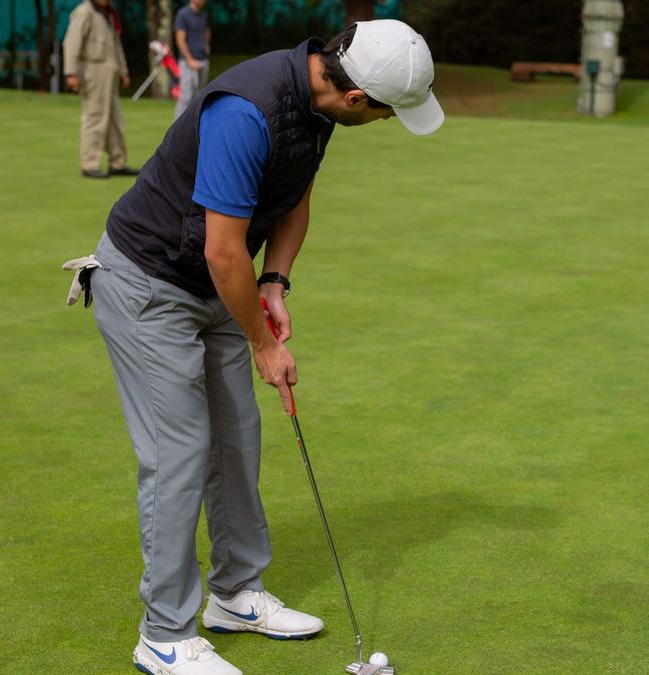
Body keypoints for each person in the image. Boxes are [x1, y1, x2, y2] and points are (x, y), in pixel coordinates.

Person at [64, 20, 443, 674]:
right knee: (179, 452)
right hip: (150, 283)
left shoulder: (319, 104)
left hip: (219, 283)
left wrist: (274, 282)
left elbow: (293, 198)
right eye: (386, 113)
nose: (385, 121)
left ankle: (235, 594)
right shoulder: (246, 111)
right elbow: (221, 250)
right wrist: (264, 343)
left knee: (237, 436)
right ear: (356, 97)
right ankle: (164, 633)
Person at [63, 0, 139, 178]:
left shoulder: (108, 13)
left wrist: (123, 71)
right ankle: (90, 164)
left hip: (109, 70)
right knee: (95, 116)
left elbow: (116, 45)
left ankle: (118, 162)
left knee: (115, 119)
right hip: (92, 69)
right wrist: (71, 72)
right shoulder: (84, 12)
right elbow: (72, 43)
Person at [173, 0, 211, 120]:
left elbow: (207, 30)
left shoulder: (204, 15)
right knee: (186, 96)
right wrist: (189, 59)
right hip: (187, 62)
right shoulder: (183, 14)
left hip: (203, 60)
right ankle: (178, 126)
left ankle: (194, 125)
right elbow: (180, 39)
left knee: (200, 95)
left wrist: (207, 45)